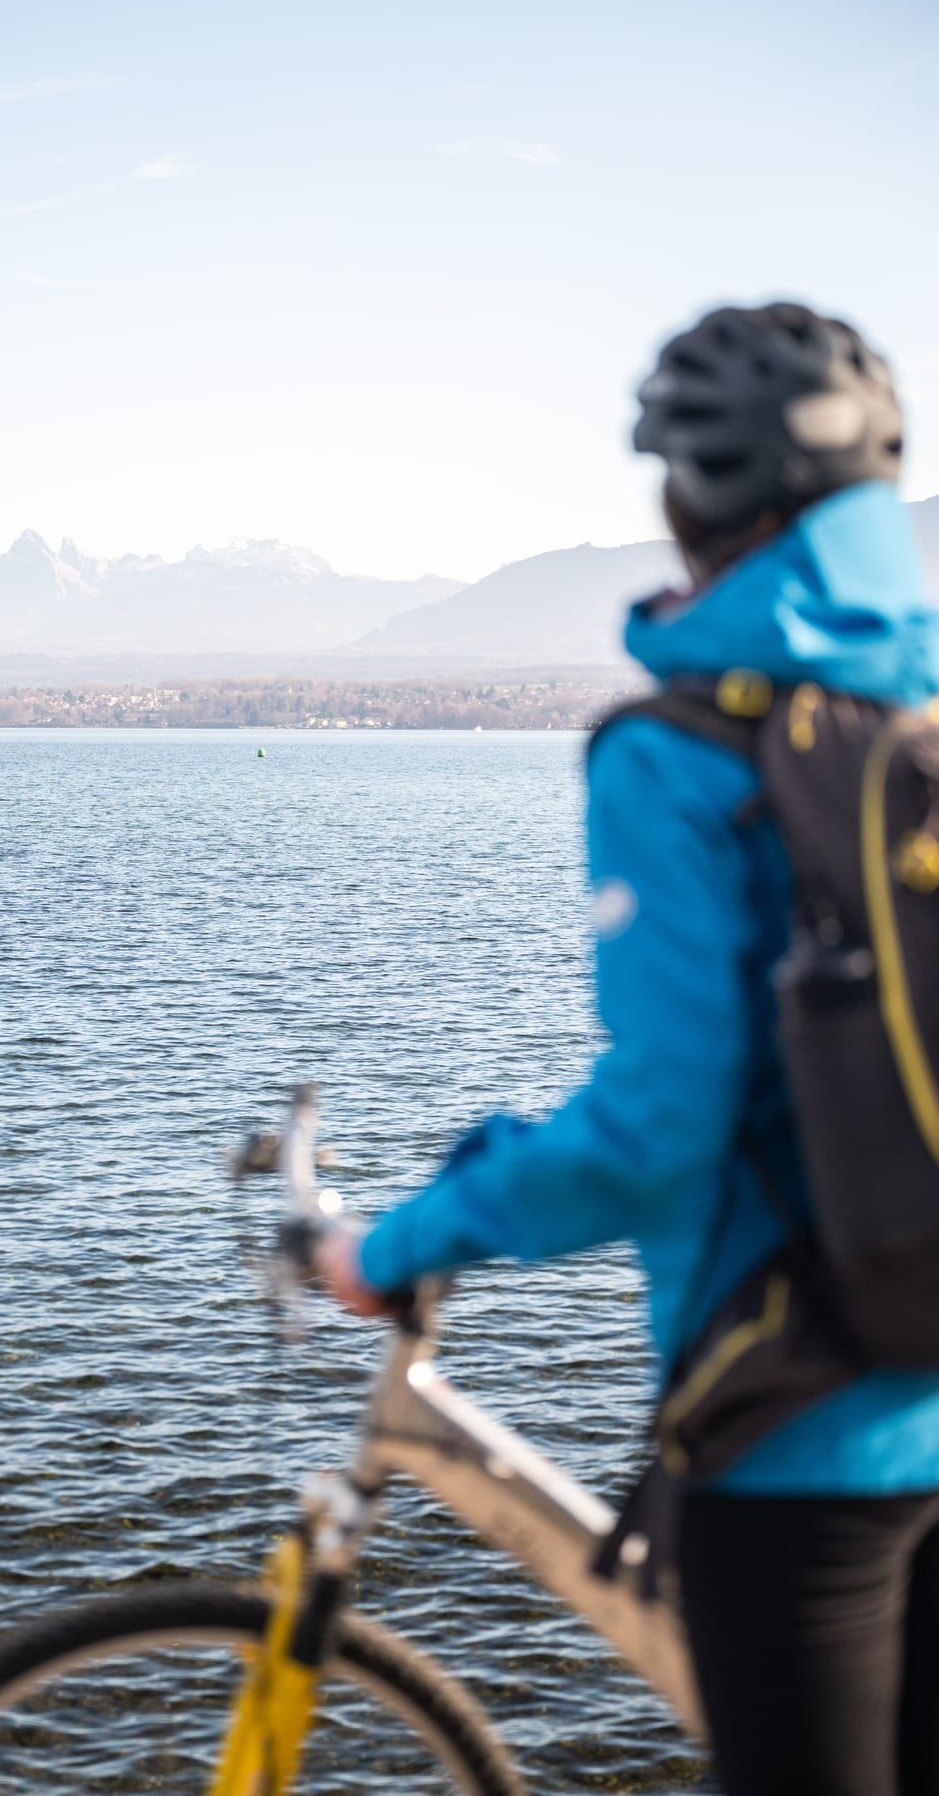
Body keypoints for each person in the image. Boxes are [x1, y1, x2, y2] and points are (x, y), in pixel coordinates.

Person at [318, 301, 939, 1796]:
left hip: (800, 1437)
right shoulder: (912, 715)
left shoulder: (675, 756)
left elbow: (658, 1127)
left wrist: (405, 1237)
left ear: (681, 501)